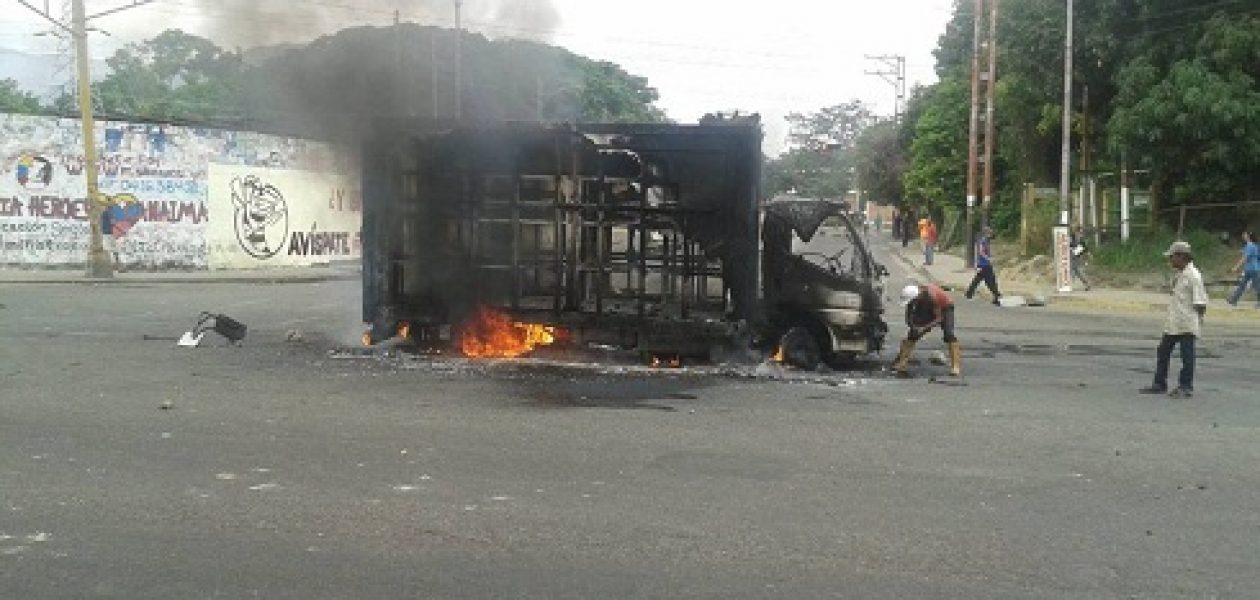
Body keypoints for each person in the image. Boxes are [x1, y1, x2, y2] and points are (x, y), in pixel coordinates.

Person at [1140, 241, 1208, 398]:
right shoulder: (1180, 274)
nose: (1170, 261)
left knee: (1187, 356)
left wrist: (1198, 319)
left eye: (1172, 257)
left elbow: (1200, 302)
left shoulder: (1194, 276)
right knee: (1163, 351)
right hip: (1175, 321)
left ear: (1181, 256)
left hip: (1187, 322)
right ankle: (1159, 383)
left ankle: (1185, 386)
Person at [891, 283, 962, 377]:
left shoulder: (931, 296)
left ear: (918, 296)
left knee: (948, 334)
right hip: (926, 306)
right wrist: (913, 326)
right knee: (913, 334)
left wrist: (924, 328)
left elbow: (939, 318)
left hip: (945, 308)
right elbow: (909, 315)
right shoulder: (914, 297)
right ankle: (902, 363)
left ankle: (955, 367)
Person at [964, 225, 1002, 305]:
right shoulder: (983, 241)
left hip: (984, 264)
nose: (991, 235)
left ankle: (969, 293)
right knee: (990, 281)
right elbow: (981, 252)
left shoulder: (986, 241)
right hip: (984, 264)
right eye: (990, 233)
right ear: (986, 233)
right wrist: (988, 258)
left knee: (978, 280)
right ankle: (996, 295)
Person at [1227, 230, 1259, 308]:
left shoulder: (1250, 245)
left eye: (1244, 234)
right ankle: (1233, 300)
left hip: (1254, 269)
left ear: (1248, 236)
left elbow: (1244, 258)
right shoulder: (1250, 245)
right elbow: (1242, 253)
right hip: (1249, 269)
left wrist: (1236, 267)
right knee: (1242, 285)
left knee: (1257, 286)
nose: (1243, 236)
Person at [1070, 225, 1092, 290]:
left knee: (1075, 270)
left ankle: (1086, 283)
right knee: (1076, 270)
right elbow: (1084, 246)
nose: (1080, 233)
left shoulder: (1077, 237)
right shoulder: (1074, 236)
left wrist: (1088, 253)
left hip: (1075, 255)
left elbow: (1084, 246)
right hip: (1075, 254)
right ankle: (1086, 283)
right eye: (1080, 232)